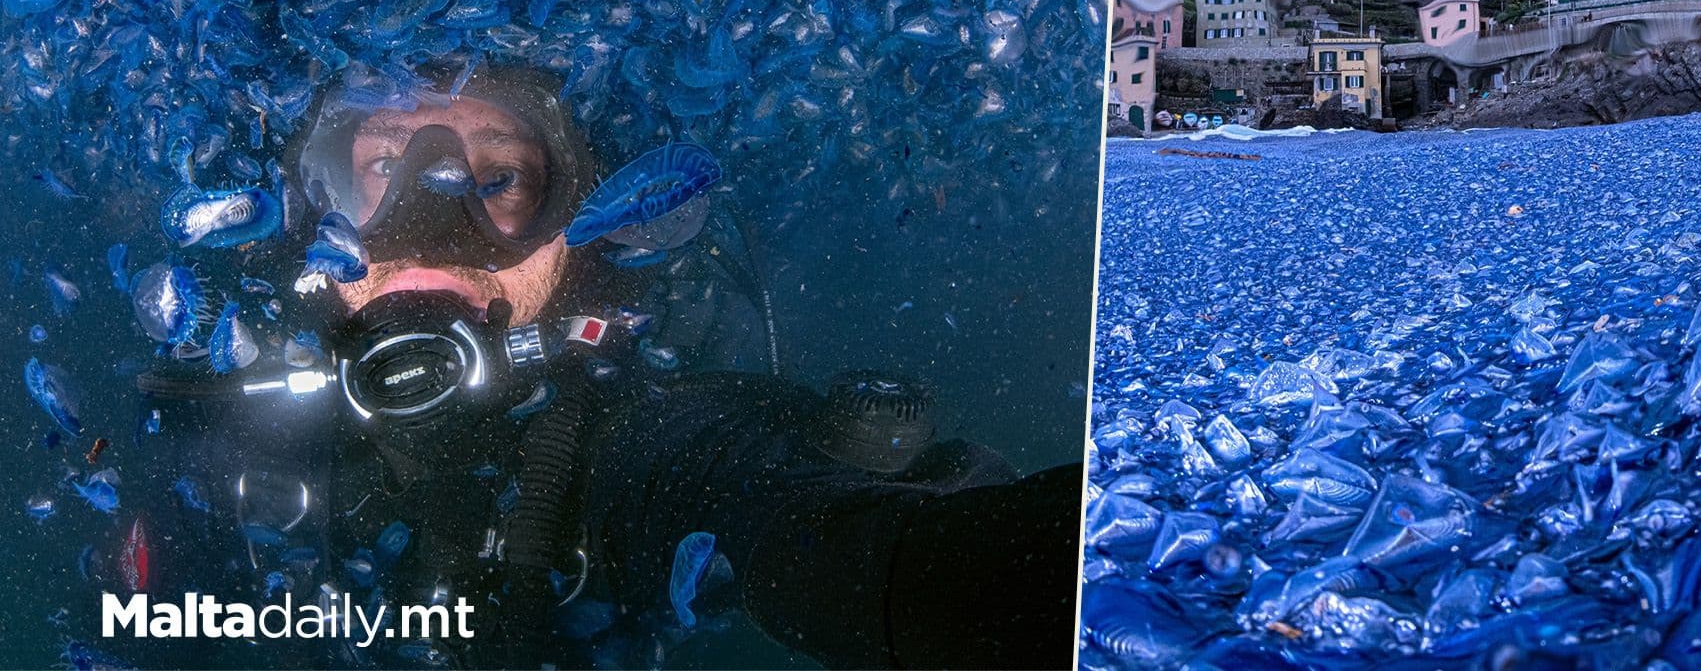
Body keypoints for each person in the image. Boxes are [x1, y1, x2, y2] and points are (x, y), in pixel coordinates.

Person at [133, 61, 1081, 669]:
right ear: (308, 212)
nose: (430, 222)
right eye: (377, 171)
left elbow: (884, 559)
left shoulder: (655, 438)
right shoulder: (225, 434)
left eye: (498, 179)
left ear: (583, 225)